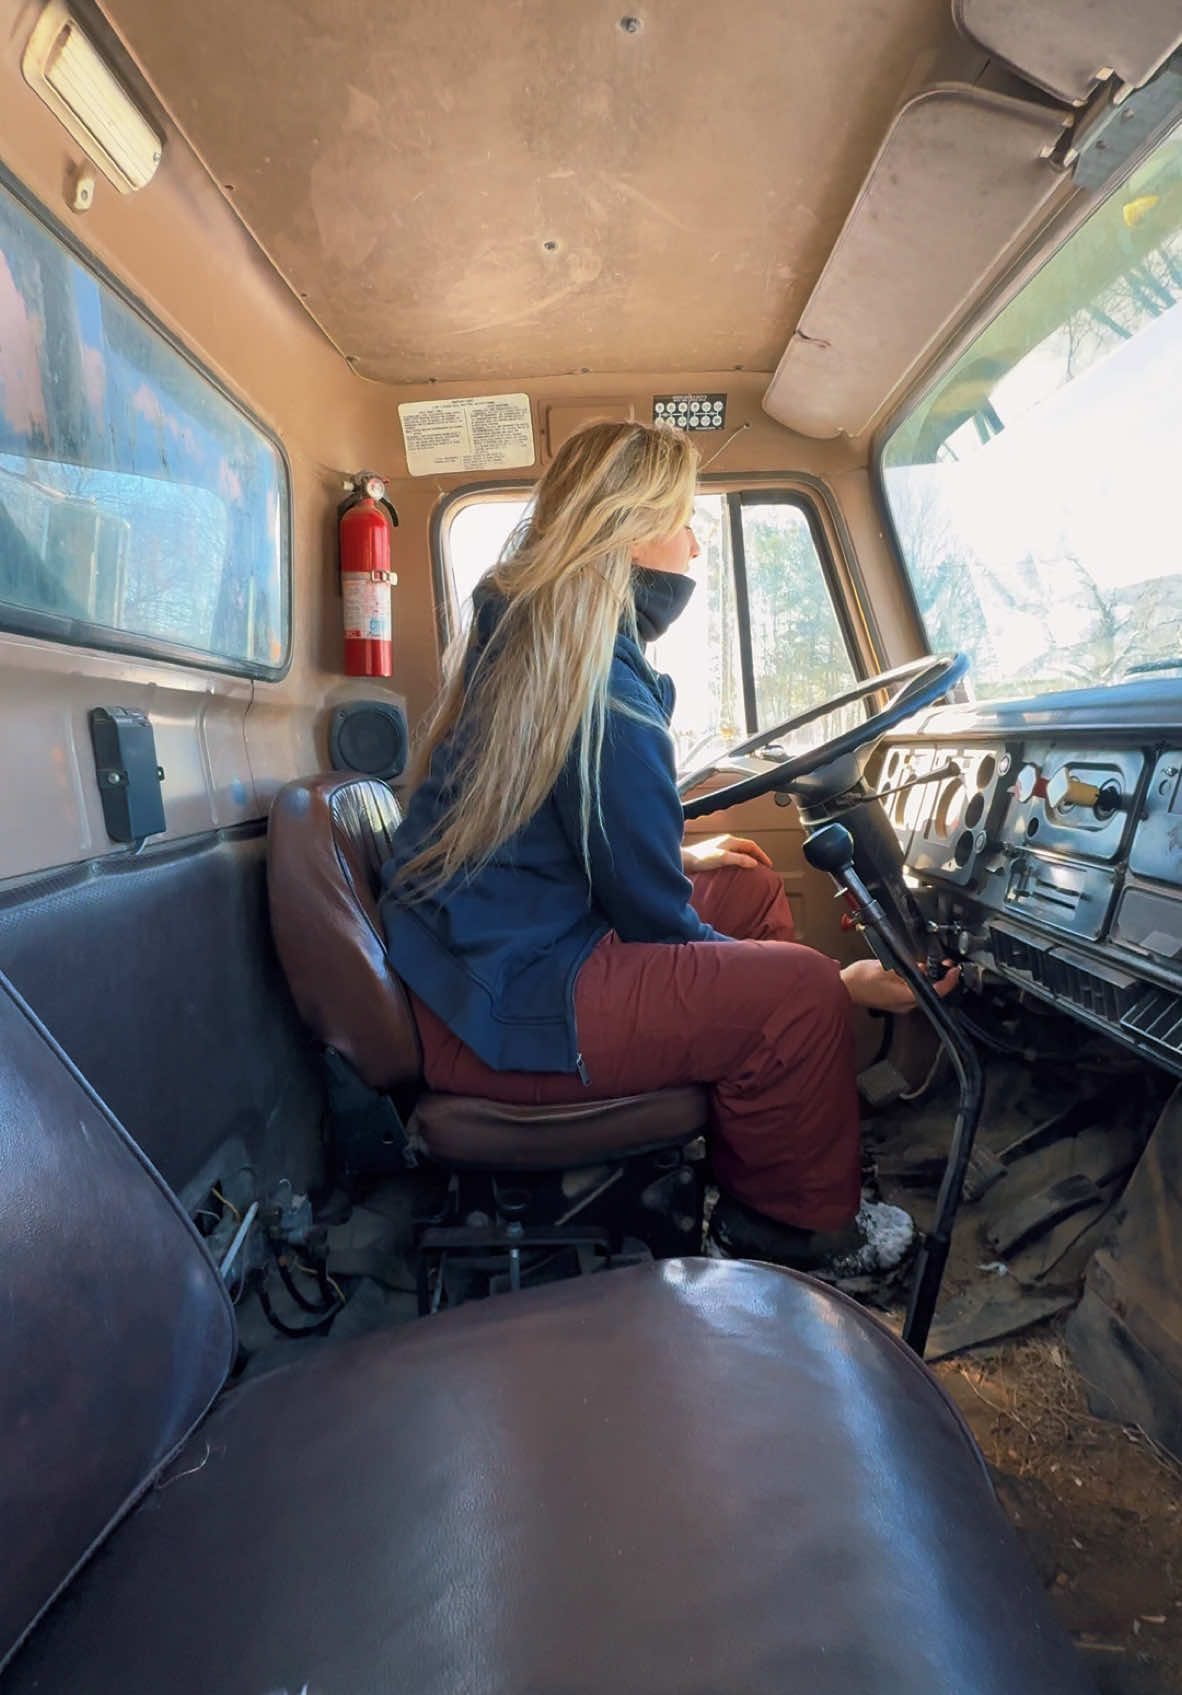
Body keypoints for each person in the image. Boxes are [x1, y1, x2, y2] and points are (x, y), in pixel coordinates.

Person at [380, 420, 955, 1283]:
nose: (694, 543)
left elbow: (554, 839)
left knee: (751, 887)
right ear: (628, 527)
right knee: (796, 993)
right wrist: (836, 991)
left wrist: (686, 859)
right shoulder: (598, 686)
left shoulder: (550, 650)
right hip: (499, 1008)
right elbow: (652, 918)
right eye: (684, 520)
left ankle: (770, 1152)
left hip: (485, 964)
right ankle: (789, 1232)